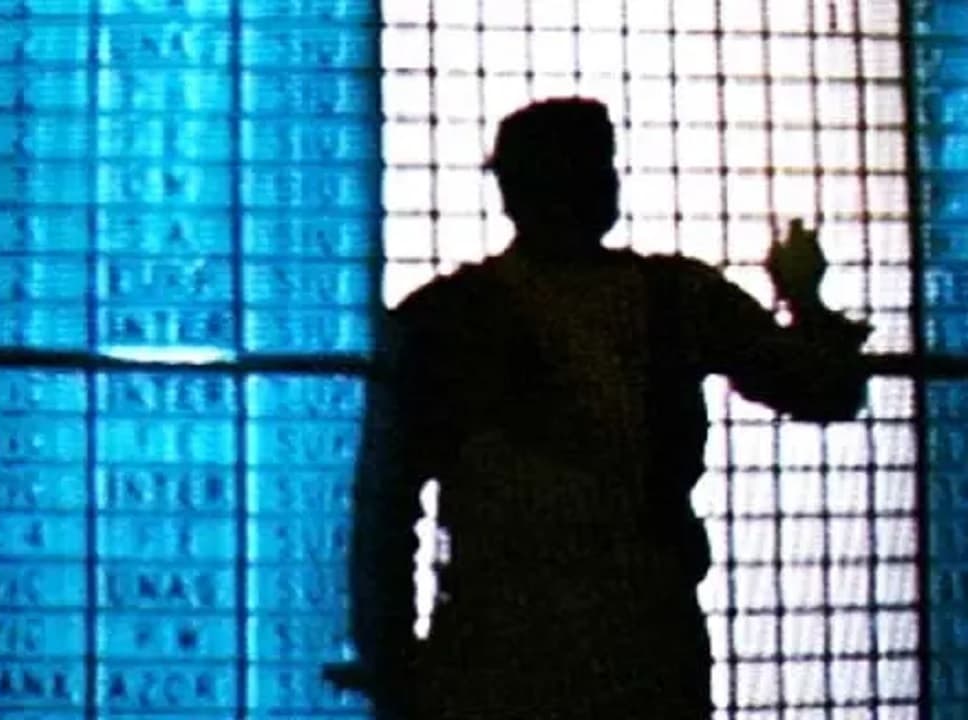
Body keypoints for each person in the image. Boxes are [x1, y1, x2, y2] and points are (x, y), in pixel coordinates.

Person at [331, 98, 873, 719]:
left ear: (509, 191)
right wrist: (805, 300)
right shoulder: (675, 299)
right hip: (641, 644)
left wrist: (394, 668)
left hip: (498, 649)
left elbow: (386, 510)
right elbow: (823, 389)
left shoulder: (447, 318)